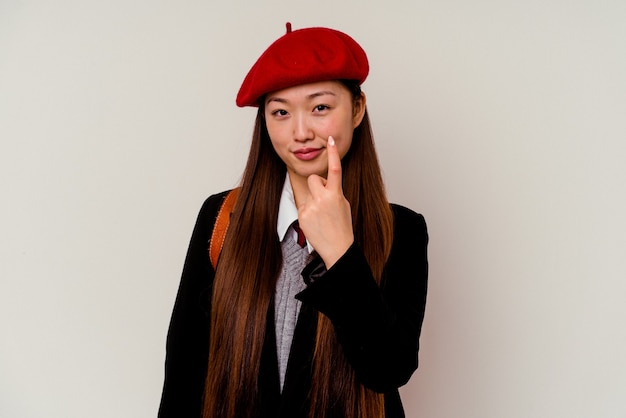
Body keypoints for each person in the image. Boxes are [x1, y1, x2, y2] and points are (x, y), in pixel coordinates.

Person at [158, 23, 429, 418]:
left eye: (320, 107)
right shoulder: (223, 220)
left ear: (356, 109)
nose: (301, 132)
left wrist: (341, 252)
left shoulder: (400, 229)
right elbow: (182, 374)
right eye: (281, 112)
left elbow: (388, 368)